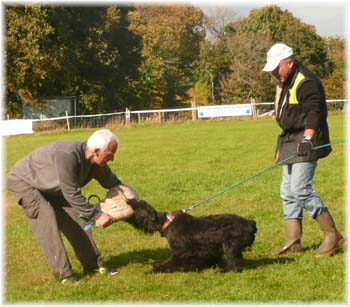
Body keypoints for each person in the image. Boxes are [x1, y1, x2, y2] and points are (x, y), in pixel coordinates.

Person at [7, 128, 123, 285]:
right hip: (24, 181)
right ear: (96, 151)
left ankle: (94, 265)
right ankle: (65, 275)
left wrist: (131, 201)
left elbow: (113, 183)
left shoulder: (97, 164)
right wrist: (96, 215)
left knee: (79, 220)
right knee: (47, 222)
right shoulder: (68, 155)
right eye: (110, 154)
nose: (113, 159)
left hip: (53, 186)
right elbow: (70, 192)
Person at [262, 43, 344, 257]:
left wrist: (308, 138)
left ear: (289, 62)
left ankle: (333, 235)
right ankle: (293, 241)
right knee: (287, 192)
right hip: (290, 138)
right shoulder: (284, 78)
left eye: (276, 68)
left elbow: (314, 112)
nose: (273, 73)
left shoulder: (306, 81)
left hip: (307, 138)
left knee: (300, 189)